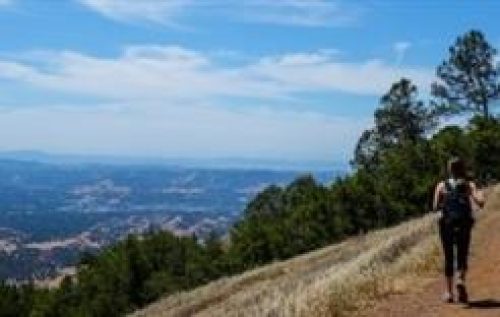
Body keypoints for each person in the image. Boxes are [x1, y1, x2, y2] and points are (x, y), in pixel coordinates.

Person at [433, 157, 485, 304]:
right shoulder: (469, 184)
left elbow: (435, 206)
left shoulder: (442, 185)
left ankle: (449, 293)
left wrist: (445, 200)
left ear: (449, 169)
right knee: (462, 252)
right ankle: (460, 279)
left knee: (448, 256)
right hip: (464, 222)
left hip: (447, 223)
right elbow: (480, 202)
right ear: (463, 168)